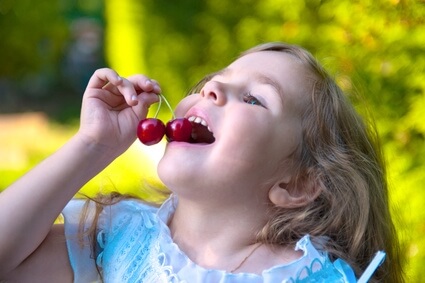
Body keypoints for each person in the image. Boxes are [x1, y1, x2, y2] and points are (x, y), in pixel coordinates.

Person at [0, 42, 404, 282]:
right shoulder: (118, 240)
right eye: (216, 79)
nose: (212, 88)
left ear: (296, 184)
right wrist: (92, 145)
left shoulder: (311, 277)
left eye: (253, 98)